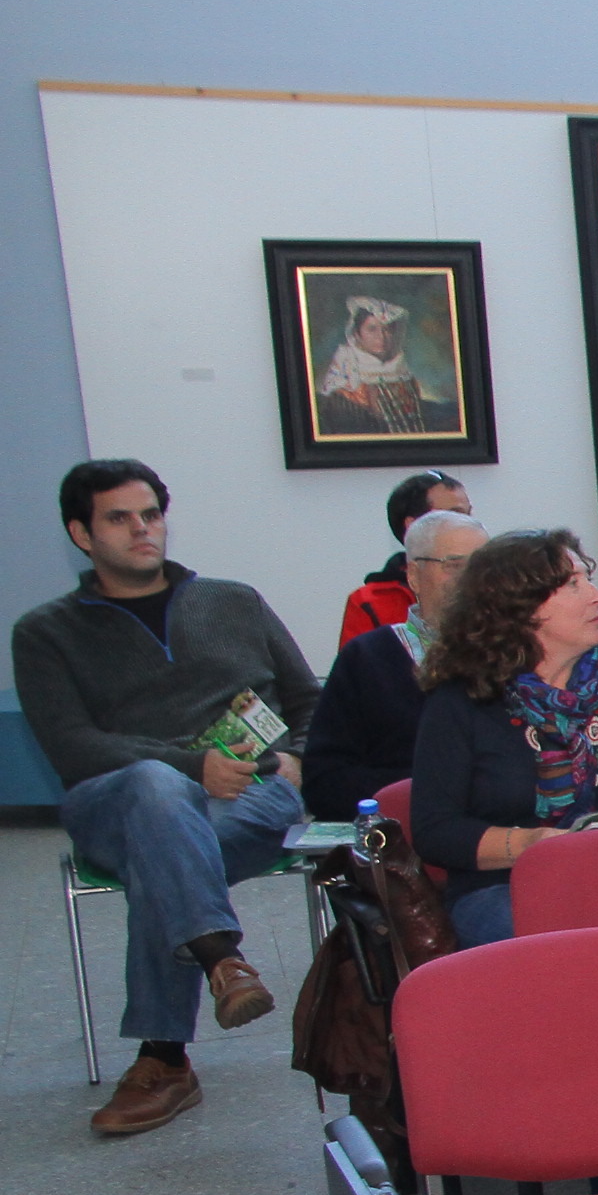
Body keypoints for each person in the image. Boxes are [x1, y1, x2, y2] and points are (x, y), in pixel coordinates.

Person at [15, 460, 315, 1136]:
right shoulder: (45, 632)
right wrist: (188, 767)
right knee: (157, 794)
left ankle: (165, 1058)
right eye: (119, 518)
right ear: (80, 533)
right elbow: (71, 746)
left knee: (165, 854)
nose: (142, 529)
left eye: (150, 513)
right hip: (112, 801)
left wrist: (296, 755)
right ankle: (220, 958)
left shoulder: (233, 601)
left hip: (251, 794)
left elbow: (309, 699)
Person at [410, 530, 598, 945]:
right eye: (574, 584)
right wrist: (532, 845)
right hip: (504, 887)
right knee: (567, 950)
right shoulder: (462, 700)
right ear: (521, 609)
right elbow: (436, 831)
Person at [304, 507, 486, 820]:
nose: (472, 578)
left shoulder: (522, 653)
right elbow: (325, 783)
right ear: (413, 575)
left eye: (484, 566)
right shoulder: (367, 659)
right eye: (454, 565)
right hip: (405, 840)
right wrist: (435, 786)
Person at [337, 470, 472, 642]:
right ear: (415, 525)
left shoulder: (491, 588)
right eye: (456, 515)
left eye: (469, 514)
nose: (469, 524)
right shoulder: (369, 603)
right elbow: (361, 666)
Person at [315, 295, 443, 441]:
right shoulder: (344, 383)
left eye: (387, 330)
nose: (381, 337)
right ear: (357, 334)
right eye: (372, 329)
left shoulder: (402, 371)